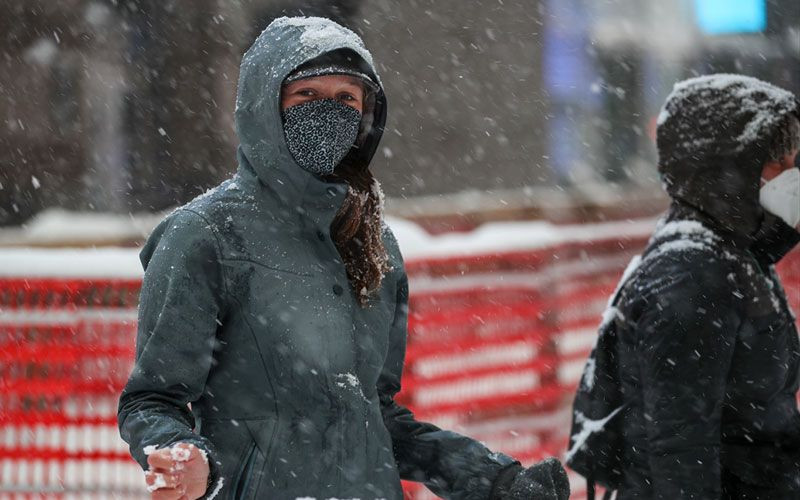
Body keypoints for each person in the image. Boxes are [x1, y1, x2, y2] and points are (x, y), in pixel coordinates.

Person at [117, 16, 569, 500]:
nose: (328, 112)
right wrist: (185, 454)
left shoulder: (374, 242)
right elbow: (151, 399)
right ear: (264, 107)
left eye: (346, 99)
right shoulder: (207, 234)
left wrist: (495, 481)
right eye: (306, 96)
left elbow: (375, 418)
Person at [568, 73, 800, 499]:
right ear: (726, 168)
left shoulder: (735, 258)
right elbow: (680, 447)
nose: (792, 174)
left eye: (793, 160)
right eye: (776, 162)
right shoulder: (693, 277)